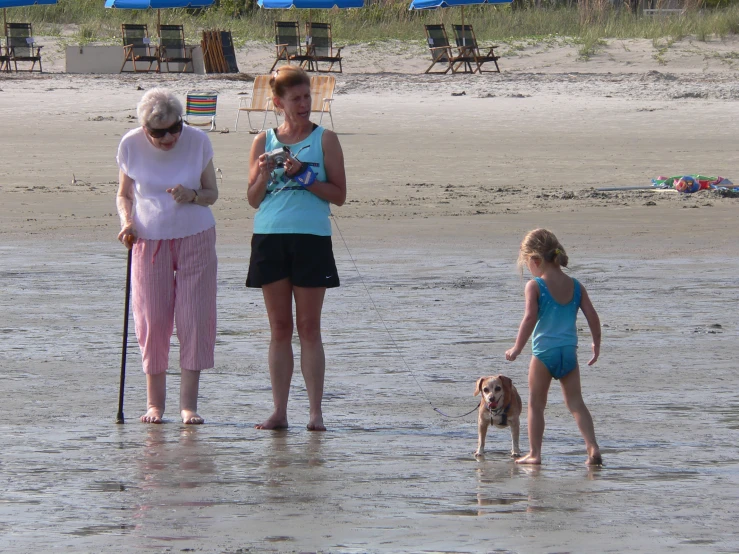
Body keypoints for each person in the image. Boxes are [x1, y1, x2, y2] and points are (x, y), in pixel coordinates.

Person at [246, 66, 346, 432]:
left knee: (309, 327)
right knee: (279, 328)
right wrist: (262, 173)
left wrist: (305, 176)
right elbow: (253, 200)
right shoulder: (262, 141)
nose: (304, 104)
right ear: (278, 102)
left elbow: (339, 195)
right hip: (270, 236)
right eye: (296, 99)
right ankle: (279, 411)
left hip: (311, 238)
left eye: (308, 97)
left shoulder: (326, 139)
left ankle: (316, 413)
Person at [116, 87, 219, 425]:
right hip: (148, 240)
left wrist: (192, 195)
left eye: (175, 128)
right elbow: (125, 195)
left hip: (196, 236)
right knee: (153, 321)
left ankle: (188, 406)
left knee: (194, 319)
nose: (170, 137)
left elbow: (211, 193)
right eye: (159, 132)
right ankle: (154, 406)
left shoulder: (198, 140)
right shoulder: (130, 145)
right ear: (145, 128)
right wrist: (127, 222)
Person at [505, 229, 602, 466]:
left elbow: (529, 318)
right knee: (576, 403)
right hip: (568, 352)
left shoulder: (535, 285)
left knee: (536, 405)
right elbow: (592, 315)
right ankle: (592, 447)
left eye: (527, 264)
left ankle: (535, 454)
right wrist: (596, 345)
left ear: (535, 260)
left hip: (544, 354)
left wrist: (517, 348)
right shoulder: (576, 285)